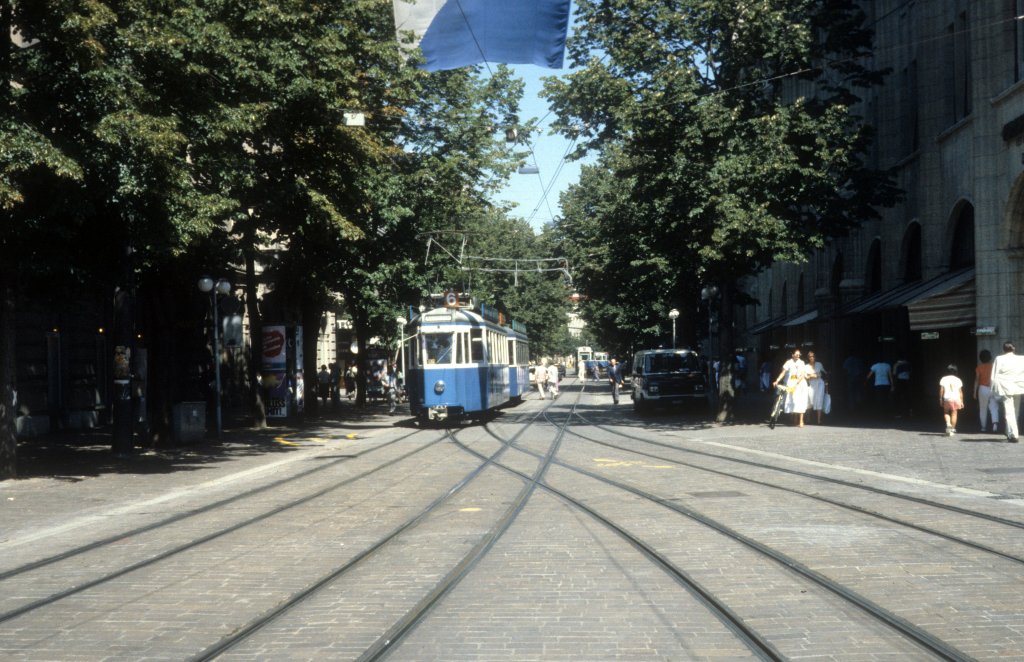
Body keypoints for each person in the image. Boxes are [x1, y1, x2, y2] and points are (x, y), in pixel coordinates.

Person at [990, 342, 1024, 443]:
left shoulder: (999, 359)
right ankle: (1009, 431)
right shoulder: (1022, 358)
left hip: (1005, 387)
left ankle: (1013, 433)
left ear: (1003, 349)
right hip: (1019, 386)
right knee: (1015, 411)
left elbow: (993, 375)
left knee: (1009, 411)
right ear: (1014, 349)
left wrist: (993, 389)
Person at [772, 348, 808, 427]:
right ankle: (794, 418)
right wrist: (777, 381)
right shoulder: (788, 362)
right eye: (796, 354)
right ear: (792, 355)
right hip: (791, 383)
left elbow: (802, 374)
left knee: (801, 401)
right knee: (793, 401)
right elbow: (783, 373)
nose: (798, 356)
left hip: (800, 384)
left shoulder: (802, 363)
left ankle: (801, 420)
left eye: (799, 354)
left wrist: (798, 382)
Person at [974, 350, 999, 433]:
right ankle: (995, 424)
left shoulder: (979, 368)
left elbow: (977, 380)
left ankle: (983, 427)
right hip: (992, 388)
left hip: (982, 388)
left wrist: (974, 392)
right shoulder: (993, 366)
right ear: (990, 357)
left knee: (983, 408)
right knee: (994, 407)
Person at [938, 364, 964, 437]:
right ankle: (952, 429)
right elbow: (960, 392)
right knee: (954, 413)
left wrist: (940, 399)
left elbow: (941, 390)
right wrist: (962, 401)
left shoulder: (943, 379)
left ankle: (948, 423)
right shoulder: (958, 380)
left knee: (946, 412)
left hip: (947, 398)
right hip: (956, 398)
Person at [804, 351, 828, 424]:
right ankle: (808, 418)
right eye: (810, 356)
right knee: (809, 400)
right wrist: (814, 375)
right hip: (811, 385)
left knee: (819, 400)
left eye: (813, 356)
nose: (812, 358)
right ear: (808, 358)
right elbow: (806, 377)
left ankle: (819, 420)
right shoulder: (806, 366)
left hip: (820, 384)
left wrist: (813, 375)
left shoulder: (819, 364)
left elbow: (824, 373)